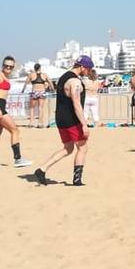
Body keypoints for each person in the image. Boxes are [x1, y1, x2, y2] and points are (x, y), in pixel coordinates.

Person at [30, 56, 94, 185]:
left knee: (68, 148)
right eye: (88, 69)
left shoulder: (63, 77)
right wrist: (84, 124)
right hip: (72, 119)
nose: (89, 72)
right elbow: (76, 104)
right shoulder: (75, 82)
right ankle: (77, 180)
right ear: (82, 67)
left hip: (60, 118)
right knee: (83, 148)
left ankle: (42, 170)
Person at [0, 57, 30, 169]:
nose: (8, 68)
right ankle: (18, 158)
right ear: (2, 65)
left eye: (11, 66)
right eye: (6, 65)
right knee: (15, 130)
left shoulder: (6, 77)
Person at [28, 63, 49, 128]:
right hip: (42, 91)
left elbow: (26, 83)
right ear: (40, 68)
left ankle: (31, 123)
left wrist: (22, 90)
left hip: (34, 91)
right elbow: (50, 82)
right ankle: (40, 123)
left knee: (32, 108)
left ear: (34, 68)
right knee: (40, 108)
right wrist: (53, 89)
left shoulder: (31, 75)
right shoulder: (44, 75)